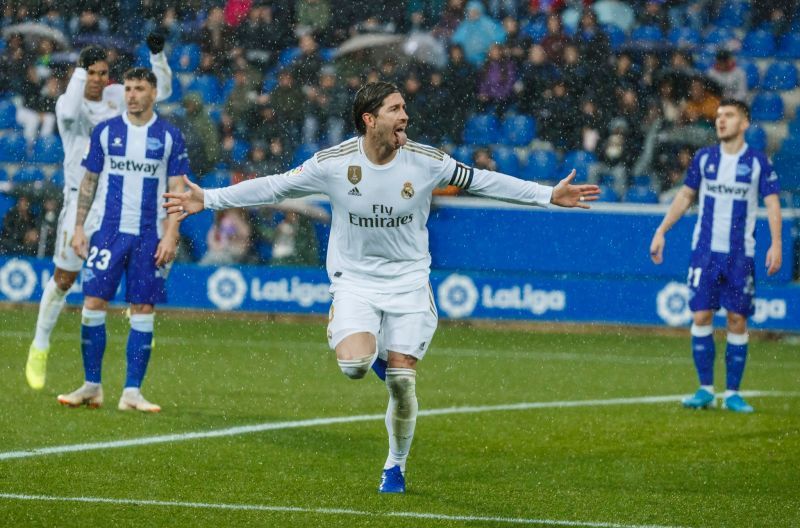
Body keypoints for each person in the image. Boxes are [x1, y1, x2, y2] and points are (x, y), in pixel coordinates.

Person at [163, 81, 599, 492]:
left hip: (409, 283)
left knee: (403, 384)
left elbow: (484, 181)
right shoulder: (334, 164)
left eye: (404, 108)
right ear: (369, 119)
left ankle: (396, 464)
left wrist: (546, 195)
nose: (405, 116)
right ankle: (363, 344)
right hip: (354, 282)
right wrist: (211, 198)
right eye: (395, 109)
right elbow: (276, 186)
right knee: (355, 366)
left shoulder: (426, 161)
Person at [25, 34, 172, 391]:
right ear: (80, 73)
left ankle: (121, 361)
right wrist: (79, 70)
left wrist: (157, 57)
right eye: (90, 72)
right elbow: (74, 109)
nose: (97, 78)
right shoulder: (67, 105)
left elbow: (160, 91)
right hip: (80, 199)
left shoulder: (114, 97)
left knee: (120, 288)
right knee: (64, 278)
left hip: (116, 202)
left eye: (102, 72)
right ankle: (40, 343)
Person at [56, 67, 188, 413]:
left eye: (139, 88)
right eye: (127, 88)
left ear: (153, 93)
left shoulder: (169, 136)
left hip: (149, 235)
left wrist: (171, 234)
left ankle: (132, 392)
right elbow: (89, 182)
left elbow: (177, 190)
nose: (130, 94)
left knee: (143, 309)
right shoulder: (106, 131)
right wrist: (80, 228)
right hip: (108, 231)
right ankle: (91, 385)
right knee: (92, 303)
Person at [649, 99, 782, 414]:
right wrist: (662, 230)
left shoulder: (758, 162)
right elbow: (685, 195)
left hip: (740, 254)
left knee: (737, 319)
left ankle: (733, 393)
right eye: (719, 116)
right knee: (701, 316)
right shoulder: (705, 158)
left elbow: (773, 202)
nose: (721, 121)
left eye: (729, 115)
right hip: (705, 252)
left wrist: (776, 242)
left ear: (744, 122)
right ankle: (706, 389)